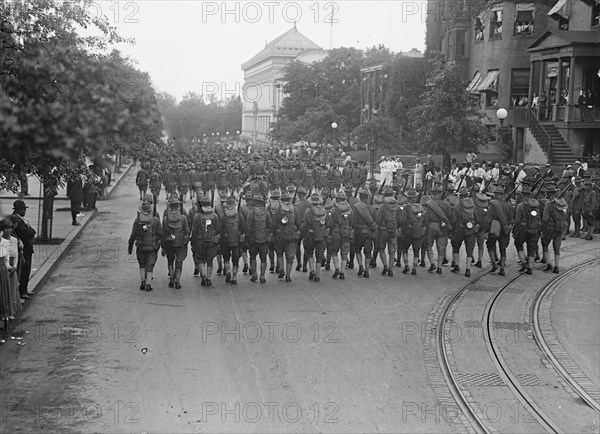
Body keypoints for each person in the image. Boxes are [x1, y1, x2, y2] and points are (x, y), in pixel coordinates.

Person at [128, 194, 162, 291]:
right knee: (150, 265)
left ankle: (142, 282)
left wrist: (130, 246)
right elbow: (160, 233)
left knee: (142, 264)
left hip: (140, 245)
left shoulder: (138, 220)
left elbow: (133, 235)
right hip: (152, 246)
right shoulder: (155, 220)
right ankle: (148, 284)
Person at [162, 196, 191, 289]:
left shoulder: (166, 219)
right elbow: (187, 230)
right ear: (178, 206)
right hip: (180, 243)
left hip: (169, 243)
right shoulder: (183, 218)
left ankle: (171, 278)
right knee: (179, 262)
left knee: (170, 261)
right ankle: (177, 281)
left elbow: (163, 234)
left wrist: (163, 247)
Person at [272, 192, 301, 282]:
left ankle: (281, 269)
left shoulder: (278, 210)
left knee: (279, 253)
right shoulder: (295, 210)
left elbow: (274, 224)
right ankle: (288, 276)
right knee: (290, 257)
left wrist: (274, 233)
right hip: (291, 236)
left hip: (280, 236)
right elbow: (299, 223)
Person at [423, 185, 451, 274]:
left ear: (433, 194)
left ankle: (432, 263)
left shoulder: (429, 204)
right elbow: (449, 216)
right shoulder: (446, 204)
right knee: (441, 248)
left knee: (428, 245)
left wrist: (425, 226)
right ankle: (439, 267)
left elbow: (426, 218)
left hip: (431, 226)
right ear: (440, 194)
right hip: (442, 227)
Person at [11, 199, 35, 300]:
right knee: (23, 271)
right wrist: (31, 232)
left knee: (27, 270)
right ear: (17, 210)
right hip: (23, 249)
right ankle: (22, 292)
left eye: (25, 209)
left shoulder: (22, 219)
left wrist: (31, 231)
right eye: (22, 209)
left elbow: (31, 231)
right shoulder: (16, 220)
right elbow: (25, 232)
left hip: (27, 248)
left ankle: (25, 290)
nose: (24, 211)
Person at [513, 185, 541, 275]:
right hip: (534, 229)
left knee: (518, 244)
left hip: (523, 229)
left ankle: (523, 262)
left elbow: (517, 220)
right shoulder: (535, 205)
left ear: (522, 195)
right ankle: (530, 267)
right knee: (531, 247)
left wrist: (515, 230)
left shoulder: (520, 206)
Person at [450, 187, 477, 277]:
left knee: (456, 245)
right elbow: (476, 217)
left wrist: (452, 229)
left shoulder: (458, 206)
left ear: (460, 196)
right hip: (470, 230)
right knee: (469, 249)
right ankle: (468, 269)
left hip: (460, 229)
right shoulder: (473, 204)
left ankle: (456, 265)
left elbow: (454, 219)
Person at [301, 194, 328, 282]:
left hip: (310, 234)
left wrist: (303, 235)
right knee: (319, 255)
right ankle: (317, 275)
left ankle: (312, 269)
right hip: (321, 235)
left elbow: (305, 225)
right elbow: (327, 223)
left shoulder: (307, 211)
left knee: (309, 252)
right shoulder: (324, 211)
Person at [352, 188, 378, 278]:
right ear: (367, 198)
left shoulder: (356, 207)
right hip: (369, 233)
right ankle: (367, 270)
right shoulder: (372, 208)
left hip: (359, 232)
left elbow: (353, 221)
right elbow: (375, 220)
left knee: (358, 249)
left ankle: (360, 266)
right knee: (368, 252)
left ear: (359, 196)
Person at [541, 185, 567, 273]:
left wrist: (543, 229)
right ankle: (556, 266)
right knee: (557, 248)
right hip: (559, 227)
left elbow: (545, 218)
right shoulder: (562, 202)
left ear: (548, 194)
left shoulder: (548, 203)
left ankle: (548, 264)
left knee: (544, 244)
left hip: (550, 227)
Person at [400, 188, 426, 275]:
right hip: (417, 230)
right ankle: (414, 268)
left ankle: (406, 265)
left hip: (408, 230)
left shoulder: (406, 207)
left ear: (408, 198)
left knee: (405, 249)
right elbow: (422, 219)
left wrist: (403, 228)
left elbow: (403, 220)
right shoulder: (420, 206)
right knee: (416, 251)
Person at [376, 188, 401, 277]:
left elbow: (378, 218)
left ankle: (385, 265)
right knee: (392, 251)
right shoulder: (396, 205)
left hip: (383, 230)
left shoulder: (382, 205)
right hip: (394, 230)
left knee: (381, 248)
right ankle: (391, 269)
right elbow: (399, 218)